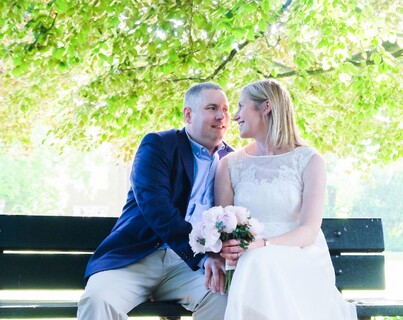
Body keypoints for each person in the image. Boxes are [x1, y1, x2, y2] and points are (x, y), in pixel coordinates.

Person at [78, 82, 233, 320]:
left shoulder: (232, 160)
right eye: (212, 108)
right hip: (138, 257)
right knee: (98, 300)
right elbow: (156, 209)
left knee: (225, 298)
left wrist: (217, 256)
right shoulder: (159, 145)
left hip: (189, 269)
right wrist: (203, 256)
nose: (221, 115)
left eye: (225, 108)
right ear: (188, 114)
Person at [215, 79, 357, 319]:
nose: (235, 116)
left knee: (257, 261)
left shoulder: (309, 160)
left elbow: (309, 231)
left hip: (299, 255)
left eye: (241, 106)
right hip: (249, 260)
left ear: (266, 107)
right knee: (254, 263)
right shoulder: (230, 164)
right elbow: (223, 223)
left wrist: (262, 244)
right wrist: (227, 248)